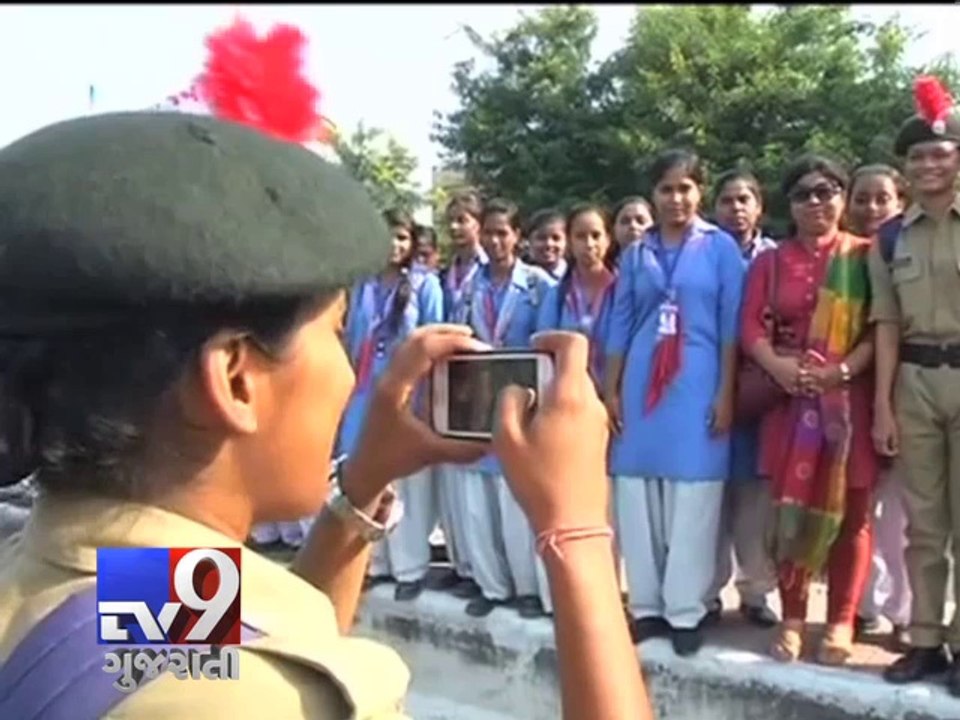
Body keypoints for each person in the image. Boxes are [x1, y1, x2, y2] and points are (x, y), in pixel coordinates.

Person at [0, 105, 653, 720]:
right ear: (235, 378)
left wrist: (364, 482)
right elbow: (262, 672)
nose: (350, 372)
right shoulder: (259, 707)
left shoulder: (69, 583)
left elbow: (266, 630)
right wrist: (579, 535)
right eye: (338, 333)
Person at [603, 149, 744, 656]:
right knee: (638, 496)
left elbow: (731, 327)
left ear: (699, 192)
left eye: (685, 188)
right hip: (641, 383)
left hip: (700, 378)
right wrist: (612, 391)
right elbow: (620, 323)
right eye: (666, 189)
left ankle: (685, 610)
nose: (676, 198)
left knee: (694, 498)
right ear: (654, 195)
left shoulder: (720, 248)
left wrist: (726, 391)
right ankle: (647, 607)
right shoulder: (637, 253)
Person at [741, 155, 877, 666]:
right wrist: (779, 367)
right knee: (789, 512)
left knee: (854, 516)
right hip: (789, 404)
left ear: (843, 197)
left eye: (827, 191)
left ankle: (841, 621)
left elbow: (879, 329)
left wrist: (840, 373)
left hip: (850, 403)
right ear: (789, 204)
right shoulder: (770, 262)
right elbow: (751, 327)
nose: (816, 201)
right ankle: (794, 618)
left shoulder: (866, 256)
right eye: (804, 193)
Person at [870, 76, 960, 693]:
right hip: (914, 383)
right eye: (918, 156)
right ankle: (926, 640)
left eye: (940, 152)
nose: (929, 163)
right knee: (923, 523)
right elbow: (886, 322)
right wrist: (882, 405)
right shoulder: (890, 236)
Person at [338, 209, 444, 602]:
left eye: (402, 237)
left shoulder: (426, 285)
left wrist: (427, 395)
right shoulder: (362, 285)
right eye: (388, 237)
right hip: (364, 389)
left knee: (404, 479)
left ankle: (410, 566)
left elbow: (435, 340)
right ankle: (372, 561)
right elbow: (352, 335)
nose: (394, 245)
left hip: (406, 390)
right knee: (364, 471)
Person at [458, 198, 557, 617]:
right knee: (478, 499)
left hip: (522, 396)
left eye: (504, 232)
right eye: (490, 232)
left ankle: (529, 589)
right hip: (477, 392)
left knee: (517, 497)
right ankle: (491, 585)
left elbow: (548, 342)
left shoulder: (538, 286)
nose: (496, 241)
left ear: (517, 236)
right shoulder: (469, 284)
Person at [534, 203, 618, 617]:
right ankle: (568, 591)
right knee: (568, 497)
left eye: (596, 235)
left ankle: (609, 591)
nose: (589, 245)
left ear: (608, 239)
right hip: (568, 407)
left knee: (609, 501)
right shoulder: (558, 292)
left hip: (608, 404)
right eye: (580, 236)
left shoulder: (619, 287)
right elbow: (544, 346)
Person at [705, 169, 779, 629]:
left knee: (755, 499)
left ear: (760, 207)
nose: (736, 208)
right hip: (707, 385)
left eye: (744, 199)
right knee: (709, 497)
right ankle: (707, 593)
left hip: (761, 389)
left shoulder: (775, 258)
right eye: (727, 200)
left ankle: (756, 593)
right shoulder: (702, 252)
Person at [845, 165, 911, 651]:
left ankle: (904, 612)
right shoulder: (840, 258)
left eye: (882, 199)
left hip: (911, 390)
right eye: (862, 199)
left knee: (903, 514)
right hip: (847, 396)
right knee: (854, 509)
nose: (871, 208)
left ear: (900, 201)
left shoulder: (910, 246)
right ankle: (861, 606)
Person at [434, 191, 489, 600]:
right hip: (450, 377)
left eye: (464, 220)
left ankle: (485, 570)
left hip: (487, 375)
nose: (456, 228)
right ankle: (462, 562)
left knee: (481, 474)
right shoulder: (444, 273)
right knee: (453, 474)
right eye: (451, 220)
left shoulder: (491, 271)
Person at [527, 208, 569, 280]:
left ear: (567, 241)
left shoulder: (574, 278)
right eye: (541, 238)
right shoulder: (519, 276)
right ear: (530, 241)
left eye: (556, 238)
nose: (549, 244)